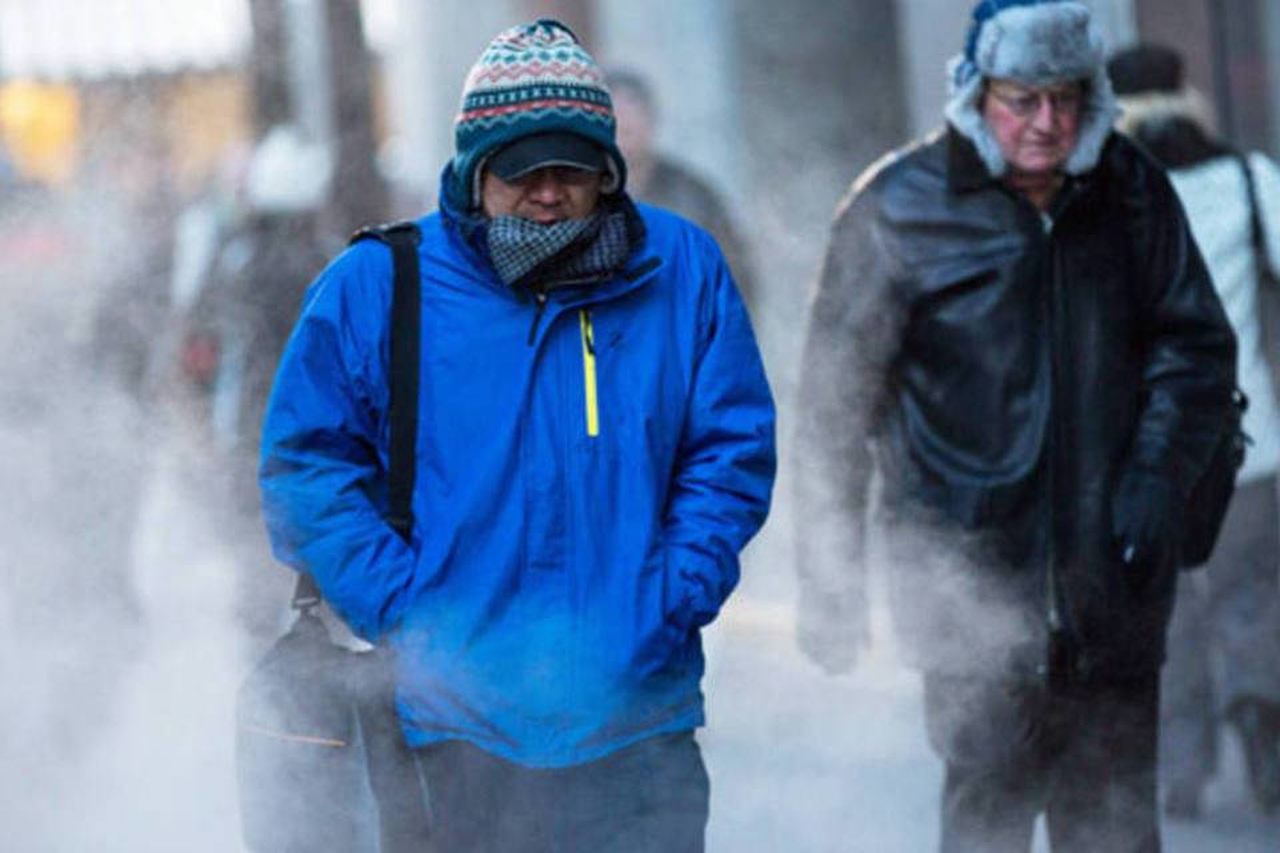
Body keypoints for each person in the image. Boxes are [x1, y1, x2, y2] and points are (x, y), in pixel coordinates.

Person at [258, 19, 775, 852]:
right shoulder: (379, 284)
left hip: (637, 725)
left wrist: (675, 587)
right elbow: (305, 465)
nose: (546, 190)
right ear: (473, 170)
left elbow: (731, 449)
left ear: (608, 169)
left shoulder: (682, 270)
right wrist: (407, 611)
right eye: (519, 168)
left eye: (570, 165)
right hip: (451, 733)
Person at [793, 2, 1237, 851]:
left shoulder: (1131, 188)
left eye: (1068, 100)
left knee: (1114, 835)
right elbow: (832, 410)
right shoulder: (898, 207)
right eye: (1022, 100)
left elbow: (1197, 349)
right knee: (986, 829)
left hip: (1115, 581)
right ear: (974, 93)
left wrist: (1157, 472)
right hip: (968, 599)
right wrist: (831, 581)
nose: (1048, 124)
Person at [1108, 43, 1280, 819]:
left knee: (1164, 609)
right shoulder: (1248, 181)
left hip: (1143, 452)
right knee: (1252, 598)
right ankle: (1261, 721)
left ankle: (1180, 767)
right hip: (1252, 442)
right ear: (1188, 92)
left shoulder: (1105, 198)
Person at [604, 67, 759, 313]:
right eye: (614, 116)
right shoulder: (574, 195)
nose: (624, 124)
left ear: (652, 122)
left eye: (633, 113)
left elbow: (734, 276)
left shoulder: (692, 195)